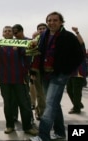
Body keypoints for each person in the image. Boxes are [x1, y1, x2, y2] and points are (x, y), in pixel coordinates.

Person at [29, 11, 84, 141]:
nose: (51, 23)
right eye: (49, 20)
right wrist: (34, 71)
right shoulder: (43, 36)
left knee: (49, 104)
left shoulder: (68, 36)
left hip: (59, 75)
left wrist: (66, 70)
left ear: (61, 22)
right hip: (45, 74)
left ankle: (43, 136)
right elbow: (37, 54)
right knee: (54, 104)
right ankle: (60, 132)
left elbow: (80, 55)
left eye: (55, 20)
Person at [0, 25, 38, 136]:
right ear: (2, 34)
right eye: (5, 31)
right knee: (8, 104)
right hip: (4, 79)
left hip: (19, 79)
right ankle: (9, 125)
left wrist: (31, 45)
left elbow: (28, 54)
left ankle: (28, 127)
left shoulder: (19, 44)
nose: (7, 32)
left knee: (24, 104)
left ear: (13, 33)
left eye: (9, 31)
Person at [66, 27, 86, 114]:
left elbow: (82, 42)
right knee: (69, 90)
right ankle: (78, 104)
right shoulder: (69, 50)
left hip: (79, 73)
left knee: (77, 92)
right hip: (70, 73)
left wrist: (77, 32)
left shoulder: (81, 49)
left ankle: (76, 108)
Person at [30, 23, 47, 120]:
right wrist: (32, 72)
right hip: (37, 70)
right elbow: (32, 57)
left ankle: (41, 110)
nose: (42, 30)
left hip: (49, 70)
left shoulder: (52, 40)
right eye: (40, 29)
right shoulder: (34, 42)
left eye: (43, 28)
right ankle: (41, 113)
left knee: (47, 94)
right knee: (40, 93)